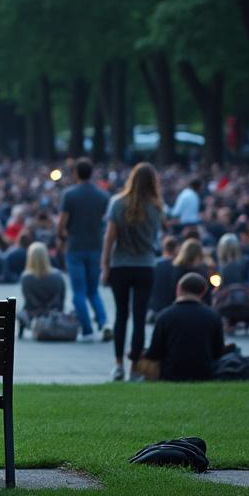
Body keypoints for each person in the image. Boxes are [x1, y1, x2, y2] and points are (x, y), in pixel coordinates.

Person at [101, 162, 164, 382]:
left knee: (121, 315)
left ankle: (118, 364)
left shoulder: (117, 204)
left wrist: (105, 265)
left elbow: (110, 237)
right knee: (139, 318)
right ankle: (134, 367)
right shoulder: (156, 207)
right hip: (145, 265)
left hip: (121, 264)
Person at [57, 159, 111, 341]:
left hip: (75, 246)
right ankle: (104, 322)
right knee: (93, 290)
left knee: (78, 291)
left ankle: (87, 329)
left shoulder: (69, 195)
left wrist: (62, 236)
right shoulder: (103, 196)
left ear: (76, 173)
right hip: (95, 245)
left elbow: (62, 223)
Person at [141, 273, 224, 382]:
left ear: (178, 289)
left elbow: (155, 352)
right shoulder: (213, 316)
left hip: (170, 374)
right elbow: (218, 352)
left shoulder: (165, 315)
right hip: (204, 373)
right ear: (203, 291)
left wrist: (141, 354)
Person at [19, 242, 66, 336]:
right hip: (54, 311)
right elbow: (61, 297)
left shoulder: (26, 277)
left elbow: (28, 301)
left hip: (34, 313)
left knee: (20, 312)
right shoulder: (58, 275)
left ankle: (22, 331)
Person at [148, 237, 180, 318]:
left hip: (153, 307)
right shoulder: (178, 266)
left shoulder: (153, 264)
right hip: (172, 307)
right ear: (176, 249)